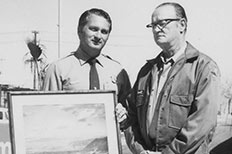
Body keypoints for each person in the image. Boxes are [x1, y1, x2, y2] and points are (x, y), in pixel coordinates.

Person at [116, 2, 221, 154]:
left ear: (182, 25)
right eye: (153, 25)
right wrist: (139, 150)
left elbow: (203, 122)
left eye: (162, 23)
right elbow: (130, 117)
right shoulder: (146, 72)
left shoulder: (204, 67)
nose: (156, 28)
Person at [42, 8, 131, 108]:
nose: (98, 36)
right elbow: (47, 110)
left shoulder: (118, 71)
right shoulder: (58, 69)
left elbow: (130, 113)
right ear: (80, 30)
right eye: (93, 29)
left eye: (104, 32)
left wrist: (124, 115)